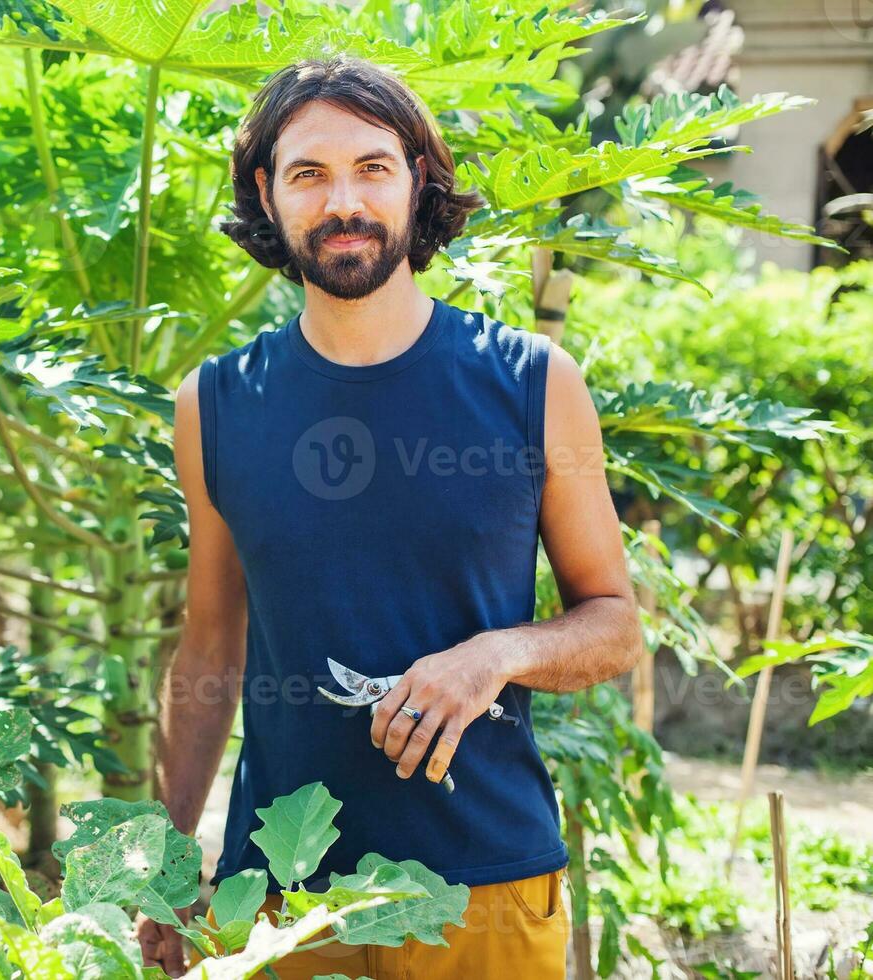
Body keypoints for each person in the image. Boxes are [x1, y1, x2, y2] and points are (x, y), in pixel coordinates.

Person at [137, 55, 644, 978]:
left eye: (372, 167)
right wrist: (165, 859)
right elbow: (208, 648)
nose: (344, 202)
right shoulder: (212, 403)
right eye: (308, 173)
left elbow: (614, 625)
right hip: (280, 902)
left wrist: (496, 655)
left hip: (481, 888)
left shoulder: (529, 383)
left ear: (418, 177)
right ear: (266, 191)